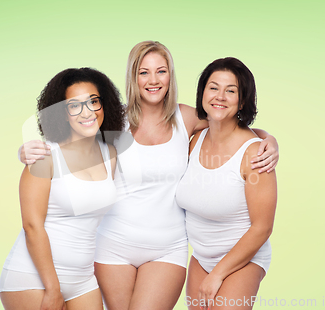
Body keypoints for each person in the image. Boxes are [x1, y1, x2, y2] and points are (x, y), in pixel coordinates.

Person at [19, 41, 279, 310]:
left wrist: (269, 139)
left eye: (161, 71)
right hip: (112, 245)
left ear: (170, 75)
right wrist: (28, 150)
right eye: (144, 72)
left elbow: (229, 125)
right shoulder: (113, 119)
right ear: (133, 77)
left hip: (168, 248)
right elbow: (69, 142)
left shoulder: (186, 117)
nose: (153, 80)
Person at [0, 67, 125, 310]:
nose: (86, 112)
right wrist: (53, 289)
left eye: (93, 101)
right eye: (74, 105)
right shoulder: (45, 156)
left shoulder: (109, 153)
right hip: (33, 279)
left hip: (83, 280)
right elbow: (32, 226)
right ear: (62, 113)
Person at [176, 57, 277, 310]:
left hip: (243, 259)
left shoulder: (254, 155)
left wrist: (218, 274)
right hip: (201, 257)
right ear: (202, 93)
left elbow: (262, 228)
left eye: (231, 90)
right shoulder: (192, 140)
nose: (220, 96)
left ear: (242, 100)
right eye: (213, 87)